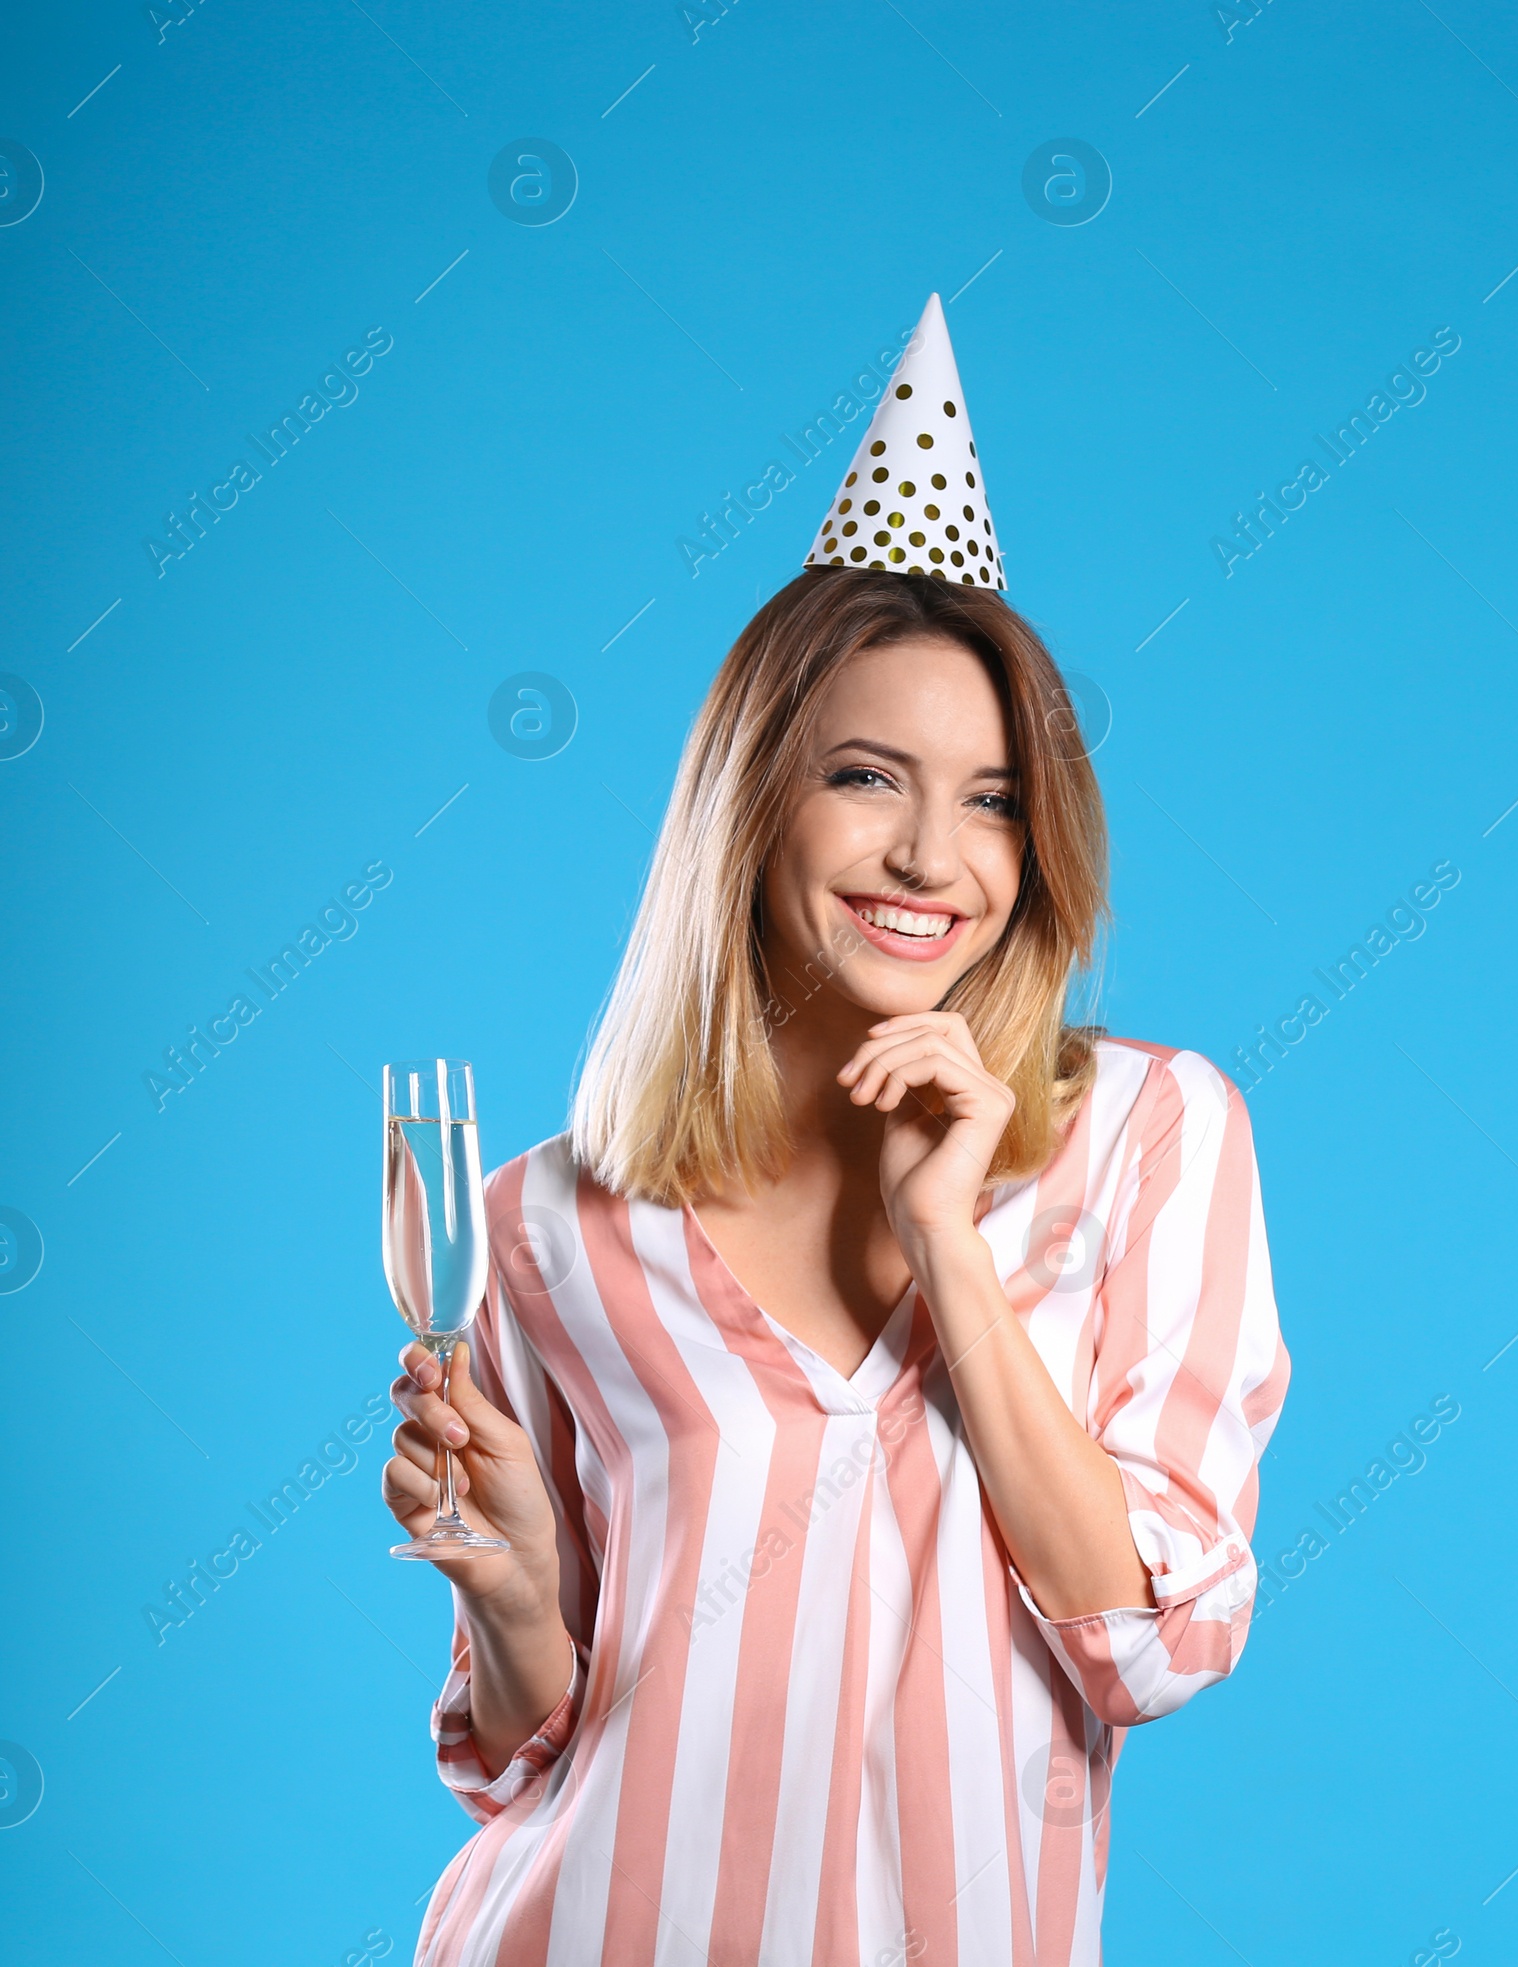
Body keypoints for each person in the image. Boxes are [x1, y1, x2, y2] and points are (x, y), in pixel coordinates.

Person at [386, 295, 1290, 1965]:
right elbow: (520, 1752)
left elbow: (1145, 1651)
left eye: (994, 797)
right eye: (867, 777)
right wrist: (503, 1597)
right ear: (753, 802)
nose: (931, 856)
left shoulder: (1154, 1137)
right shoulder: (542, 1224)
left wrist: (949, 1243)